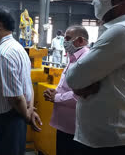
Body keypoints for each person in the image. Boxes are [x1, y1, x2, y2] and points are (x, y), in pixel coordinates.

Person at [66, 0, 125, 155]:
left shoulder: (123, 31)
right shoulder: (116, 30)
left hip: (116, 144)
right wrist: (83, 84)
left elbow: (73, 79)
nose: (96, 0)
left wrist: (81, 84)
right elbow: (79, 82)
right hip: (103, 142)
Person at [0, 7, 42, 155]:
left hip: (3, 123)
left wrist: (27, 116)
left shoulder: (3, 55)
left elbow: (15, 96)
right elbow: (27, 85)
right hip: (16, 117)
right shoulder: (17, 48)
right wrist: (29, 109)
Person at [44, 25, 89, 155]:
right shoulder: (73, 57)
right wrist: (56, 92)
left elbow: (81, 93)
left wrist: (56, 98)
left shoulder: (85, 60)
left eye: (68, 39)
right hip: (64, 124)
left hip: (74, 127)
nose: (65, 43)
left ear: (80, 41)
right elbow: (67, 83)